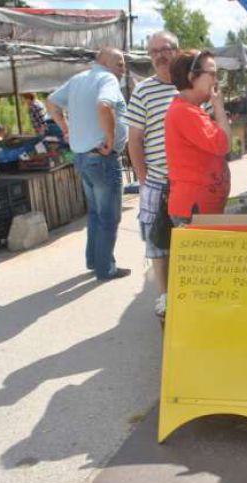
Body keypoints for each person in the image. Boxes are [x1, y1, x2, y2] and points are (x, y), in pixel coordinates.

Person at [47, 48, 130, 281]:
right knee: (109, 217)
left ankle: (95, 261)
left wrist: (65, 129)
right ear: (103, 62)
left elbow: (51, 102)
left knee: (95, 213)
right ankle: (106, 268)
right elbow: (104, 105)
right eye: (120, 63)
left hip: (83, 158)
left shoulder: (78, 80)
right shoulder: (107, 78)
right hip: (102, 158)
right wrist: (111, 139)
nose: (123, 69)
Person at [124, 30, 180, 319]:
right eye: (153, 51)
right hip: (157, 180)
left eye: (165, 49)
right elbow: (135, 140)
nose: (159, 55)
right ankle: (164, 295)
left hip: (188, 182)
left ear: (176, 52)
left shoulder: (191, 87)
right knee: (157, 243)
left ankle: (187, 292)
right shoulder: (143, 90)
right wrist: (144, 180)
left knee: (188, 241)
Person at [165, 50, 231, 225]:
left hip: (199, 210)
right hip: (192, 211)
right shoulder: (185, 111)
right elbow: (223, 144)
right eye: (212, 74)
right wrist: (219, 107)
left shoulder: (191, 109)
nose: (216, 81)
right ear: (192, 76)